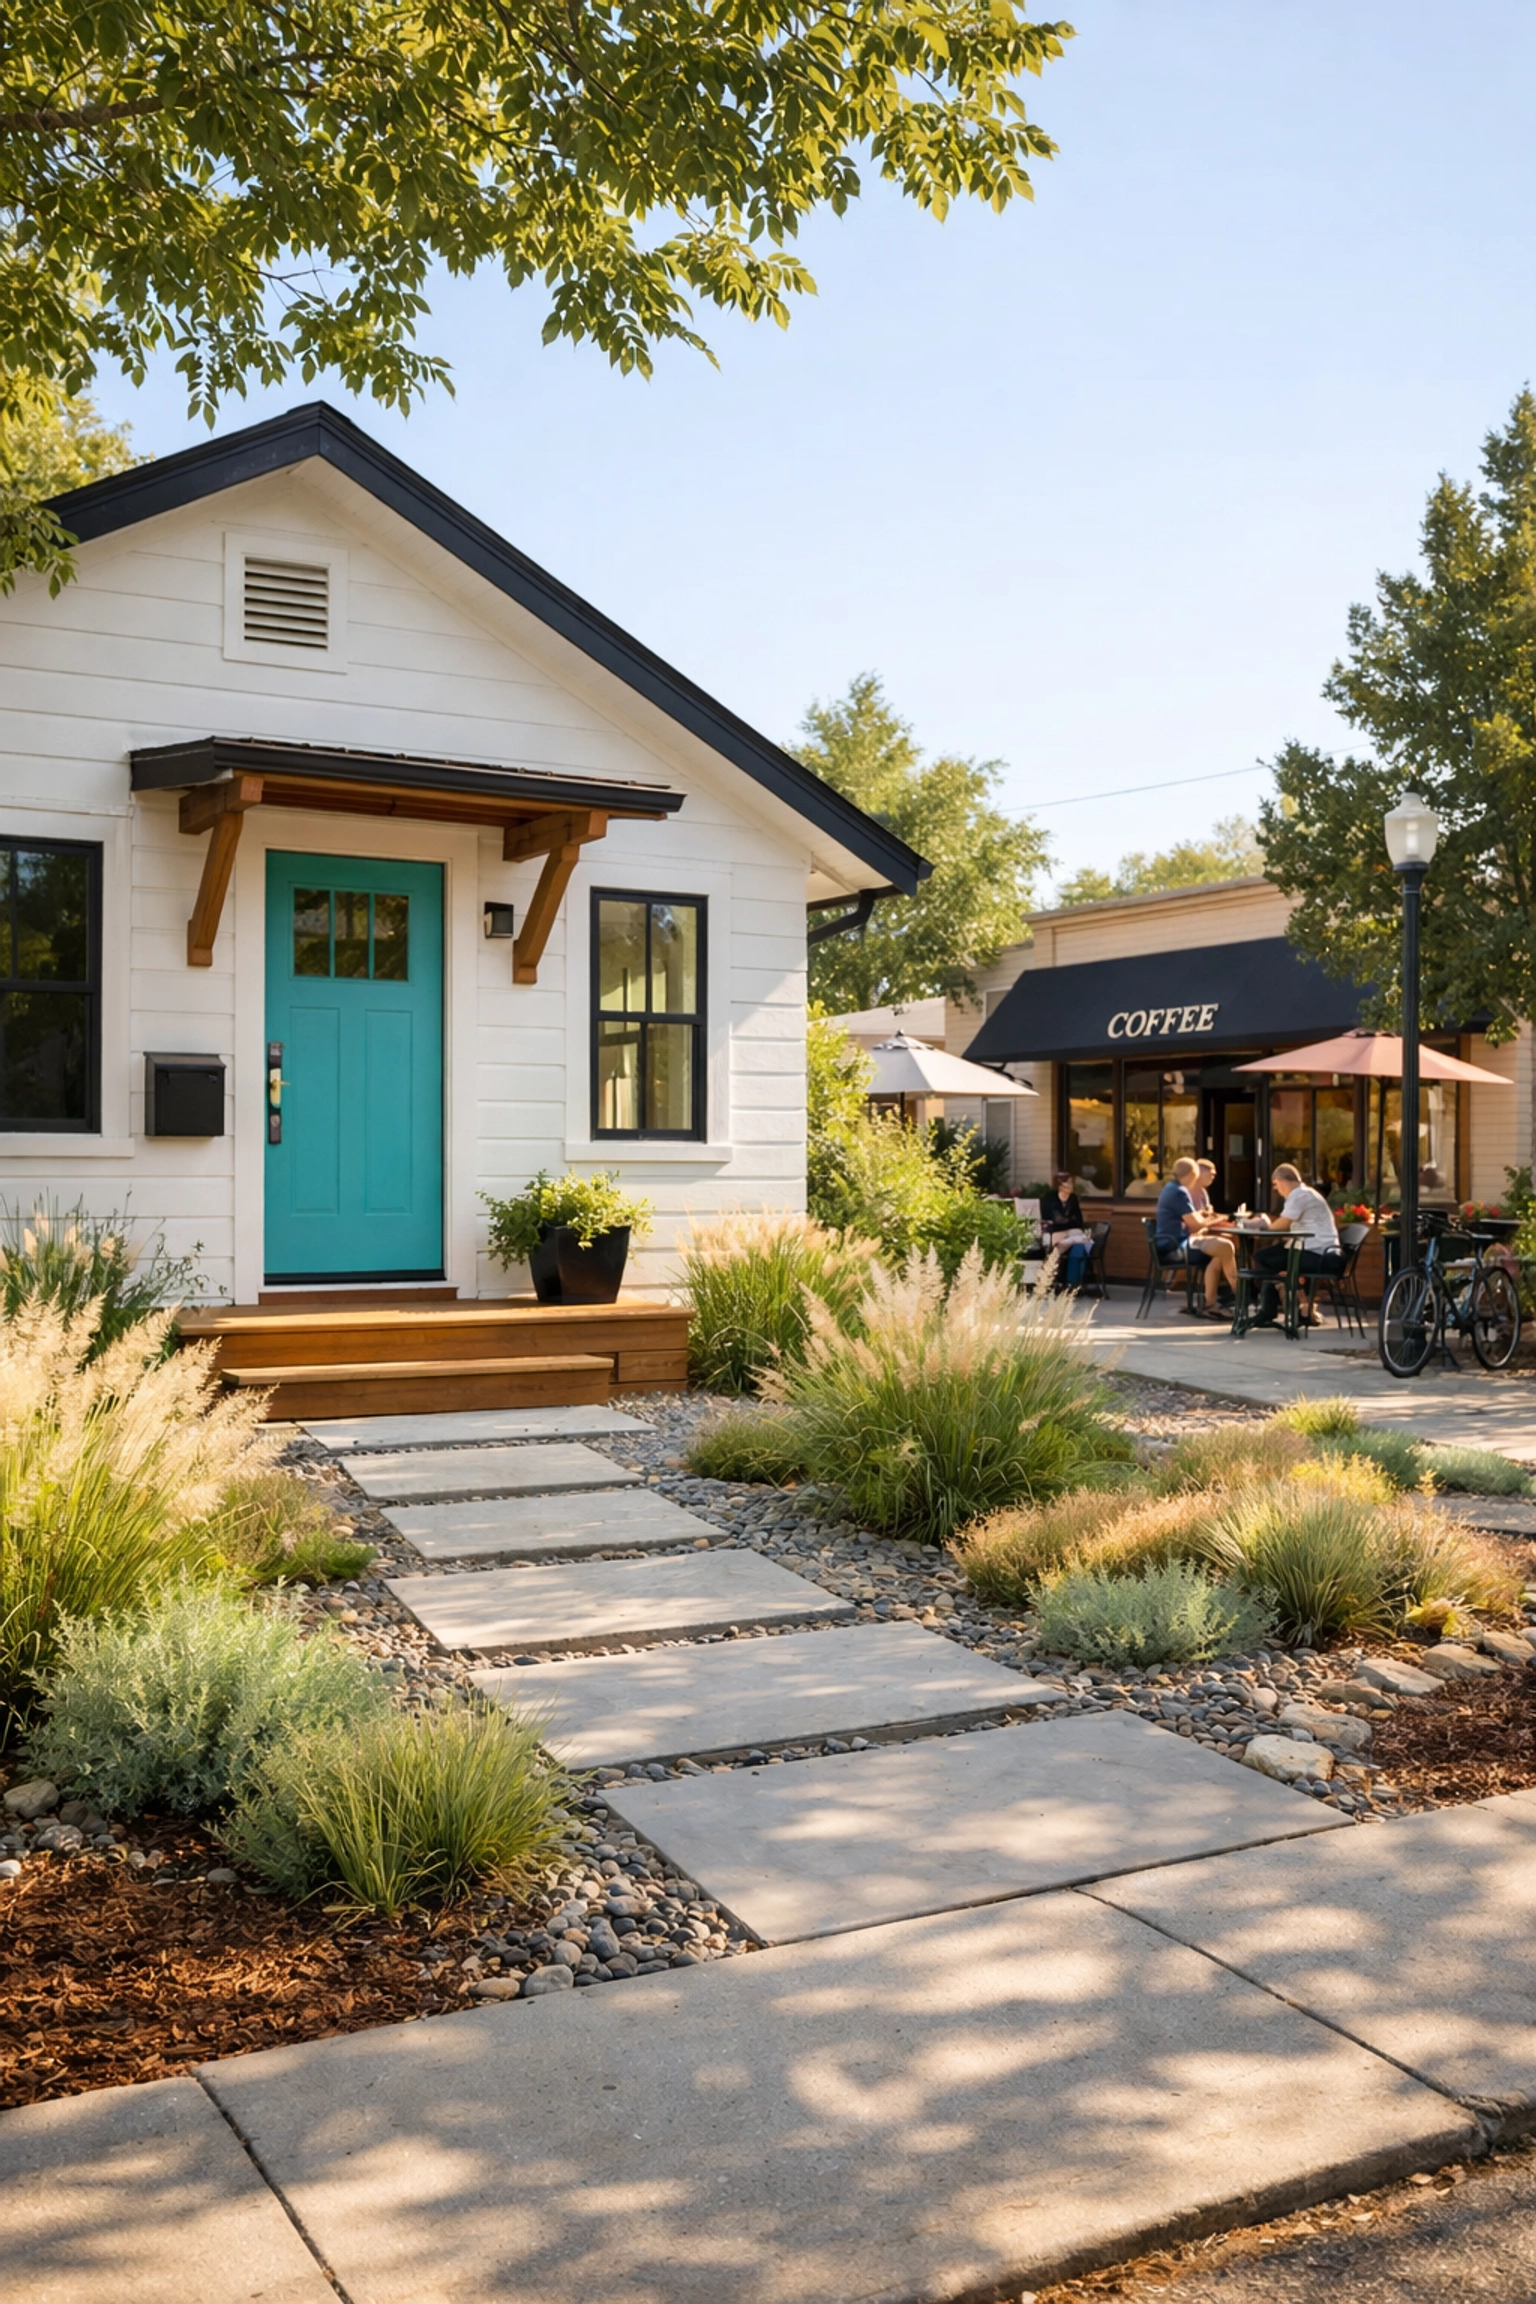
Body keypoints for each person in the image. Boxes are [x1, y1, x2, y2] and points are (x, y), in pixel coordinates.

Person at [1249, 1163, 1345, 1328]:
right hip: (1321, 1252)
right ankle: (1282, 1306)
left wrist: (1263, 1226)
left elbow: (1283, 1223)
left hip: (1319, 1256)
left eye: (1275, 1185)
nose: (1276, 1189)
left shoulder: (1299, 1195)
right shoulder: (1305, 1193)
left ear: (1281, 1180)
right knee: (1267, 1257)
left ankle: (1270, 1308)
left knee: (1264, 1258)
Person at [1154, 1156, 1238, 1318]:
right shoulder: (1179, 1192)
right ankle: (1239, 1292)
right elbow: (1196, 1225)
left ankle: (1210, 1303)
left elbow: (1194, 1219)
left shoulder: (1172, 1188)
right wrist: (1219, 1218)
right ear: (1192, 1175)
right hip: (1174, 1247)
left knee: (1220, 1254)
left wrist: (1204, 1216)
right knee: (1226, 1246)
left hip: (1176, 1242)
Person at [1039, 1169, 1092, 1289]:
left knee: (1078, 1245)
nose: (1072, 1185)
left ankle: (1071, 1283)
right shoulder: (1049, 1198)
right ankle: (1068, 1282)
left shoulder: (1073, 1198)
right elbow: (1050, 1219)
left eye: (1072, 1183)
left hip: (1070, 1233)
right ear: (1060, 1185)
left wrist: (1067, 1222)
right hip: (1054, 1232)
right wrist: (1067, 1222)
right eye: (1069, 1183)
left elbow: (1078, 1220)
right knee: (1078, 1238)